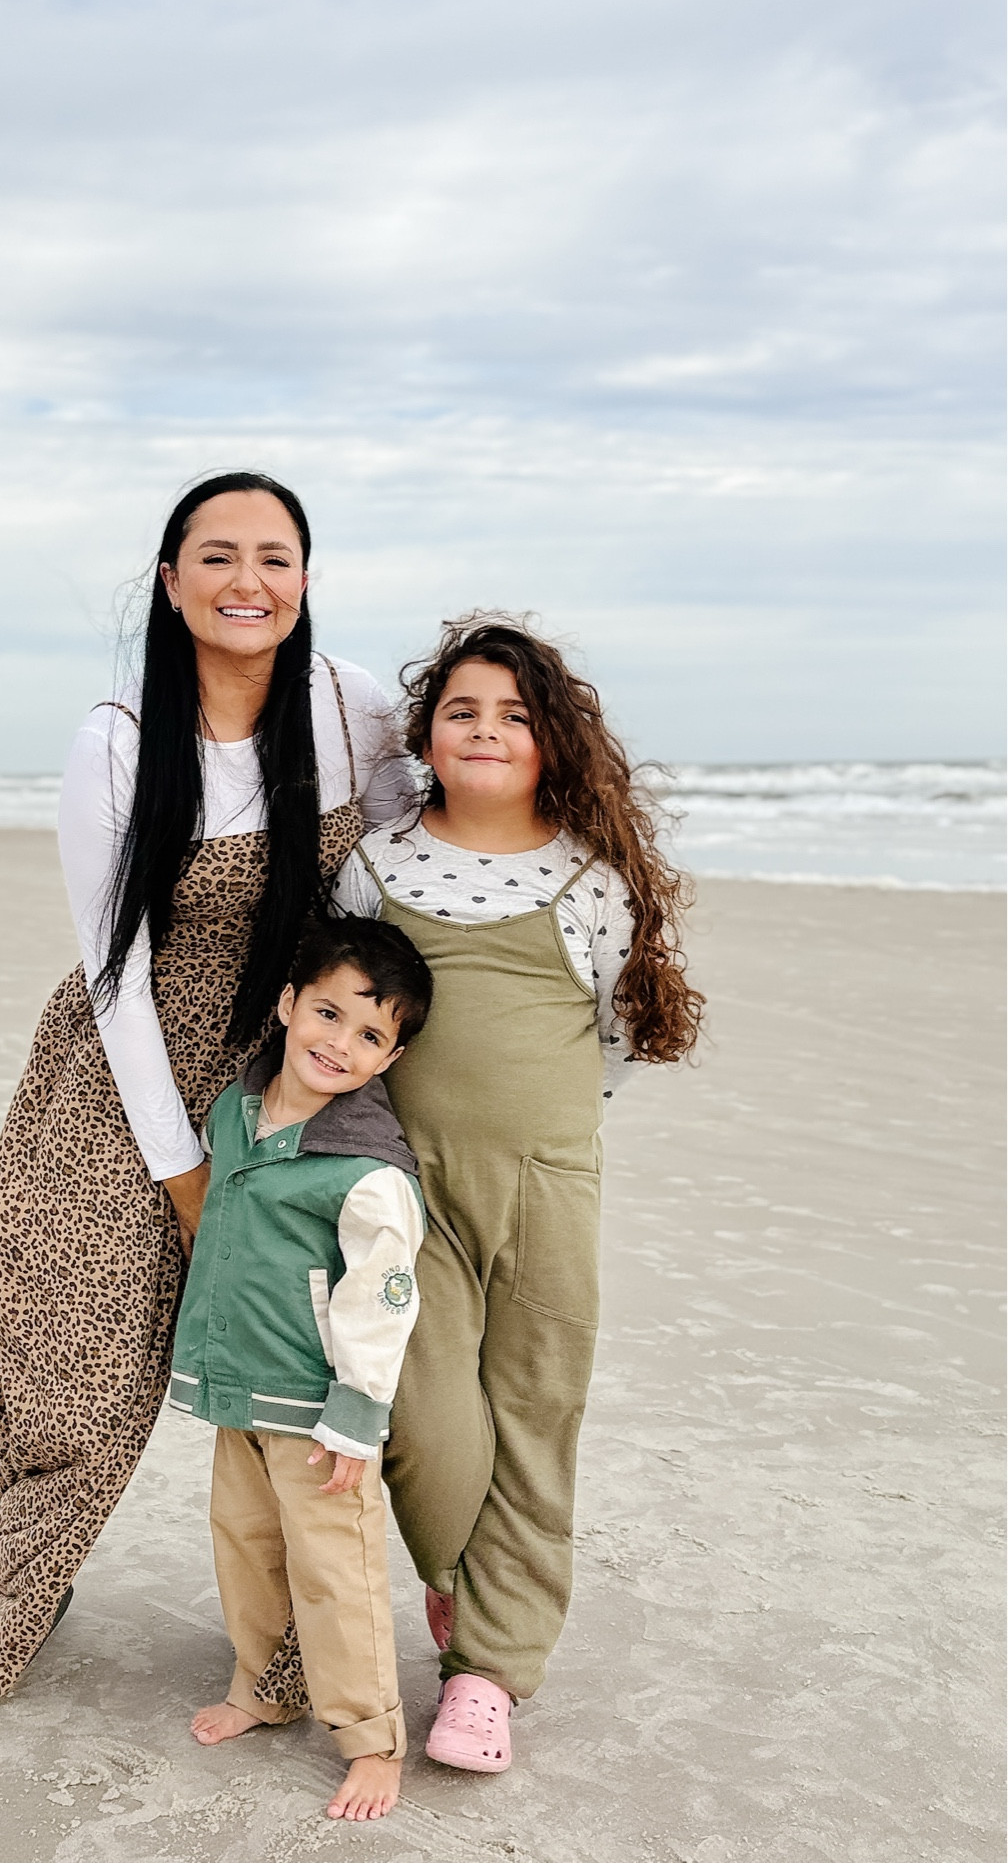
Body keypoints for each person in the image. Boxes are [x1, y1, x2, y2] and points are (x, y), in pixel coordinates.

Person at [0, 473, 415, 1702]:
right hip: (122, 1078)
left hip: (294, 1062)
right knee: (79, 1362)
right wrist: (185, 1172)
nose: (246, 581)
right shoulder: (114, 740)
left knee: (297, 1376)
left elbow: (394, 862)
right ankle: (14, 1603)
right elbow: (118, 977)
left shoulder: (349, 705)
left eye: (275, 556)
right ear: (171, 582)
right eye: (217, 557)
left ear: (306, 579)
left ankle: (299, 1653)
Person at [332, 613, 704, 1771]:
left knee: (537, 1417)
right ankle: (456, 1578)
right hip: (405, 1191)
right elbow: (347, 1012)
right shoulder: (377, 863)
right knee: (423, 1417)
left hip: (548, 1185)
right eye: (462, 711)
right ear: (427, 737)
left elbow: (611, 1048)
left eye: (514, 713)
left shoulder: (588, 883)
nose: (487, 731)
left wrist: (544, 1145)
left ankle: (488, 1671)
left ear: (554, 741)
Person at [172, 916, 433, 1821]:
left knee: (335, 1569)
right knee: (244, 1547)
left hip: (321, 1412)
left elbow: (384, 1297)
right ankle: (264, 1685)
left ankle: (371, 1737)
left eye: (371, 1034)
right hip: (238, 1386)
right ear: (287, 1005)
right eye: (327, 1012)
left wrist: (356, 1413)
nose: (339, 1042)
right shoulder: (232, 1113)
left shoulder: (365, 1170)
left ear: (390, 1058)